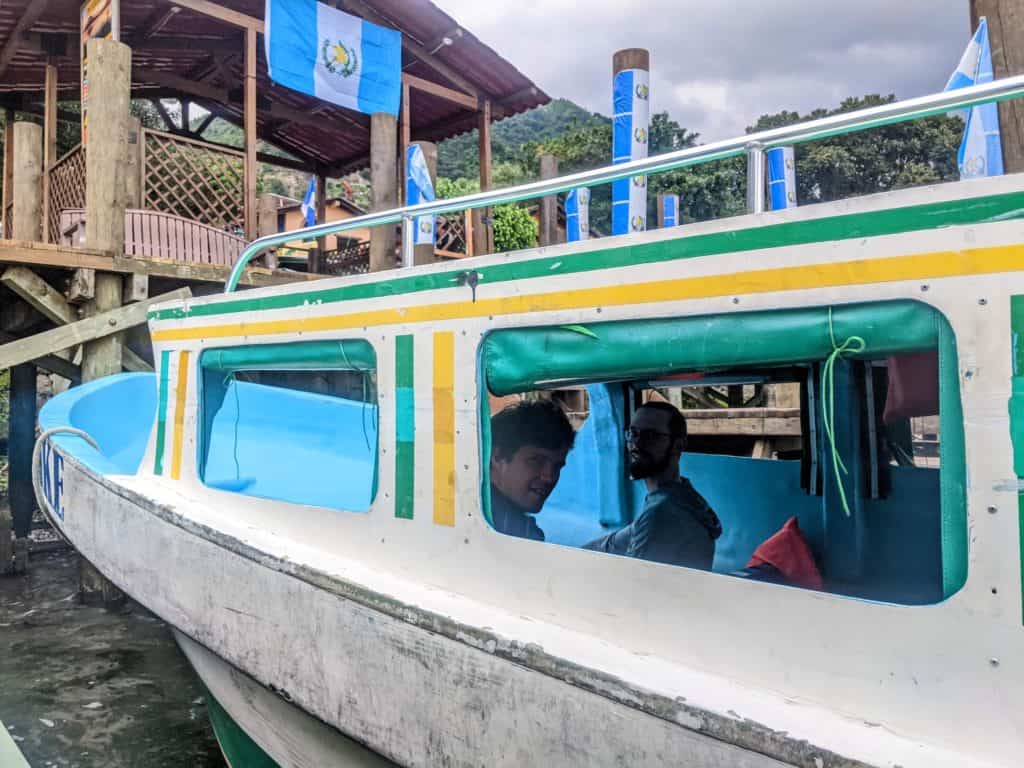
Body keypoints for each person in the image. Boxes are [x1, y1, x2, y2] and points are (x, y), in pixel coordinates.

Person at [585, 401, 721, 569]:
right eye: (633, 433)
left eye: (651, 436)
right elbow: (619, 540)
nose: (637, 444)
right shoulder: (687, 498)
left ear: (678, 445)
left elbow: (632, 584)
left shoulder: (660, 515)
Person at [489, 399, 576, 541]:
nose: (549, 477)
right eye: (536, 461)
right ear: (498, 457)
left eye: (557, 466)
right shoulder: (516, 532)